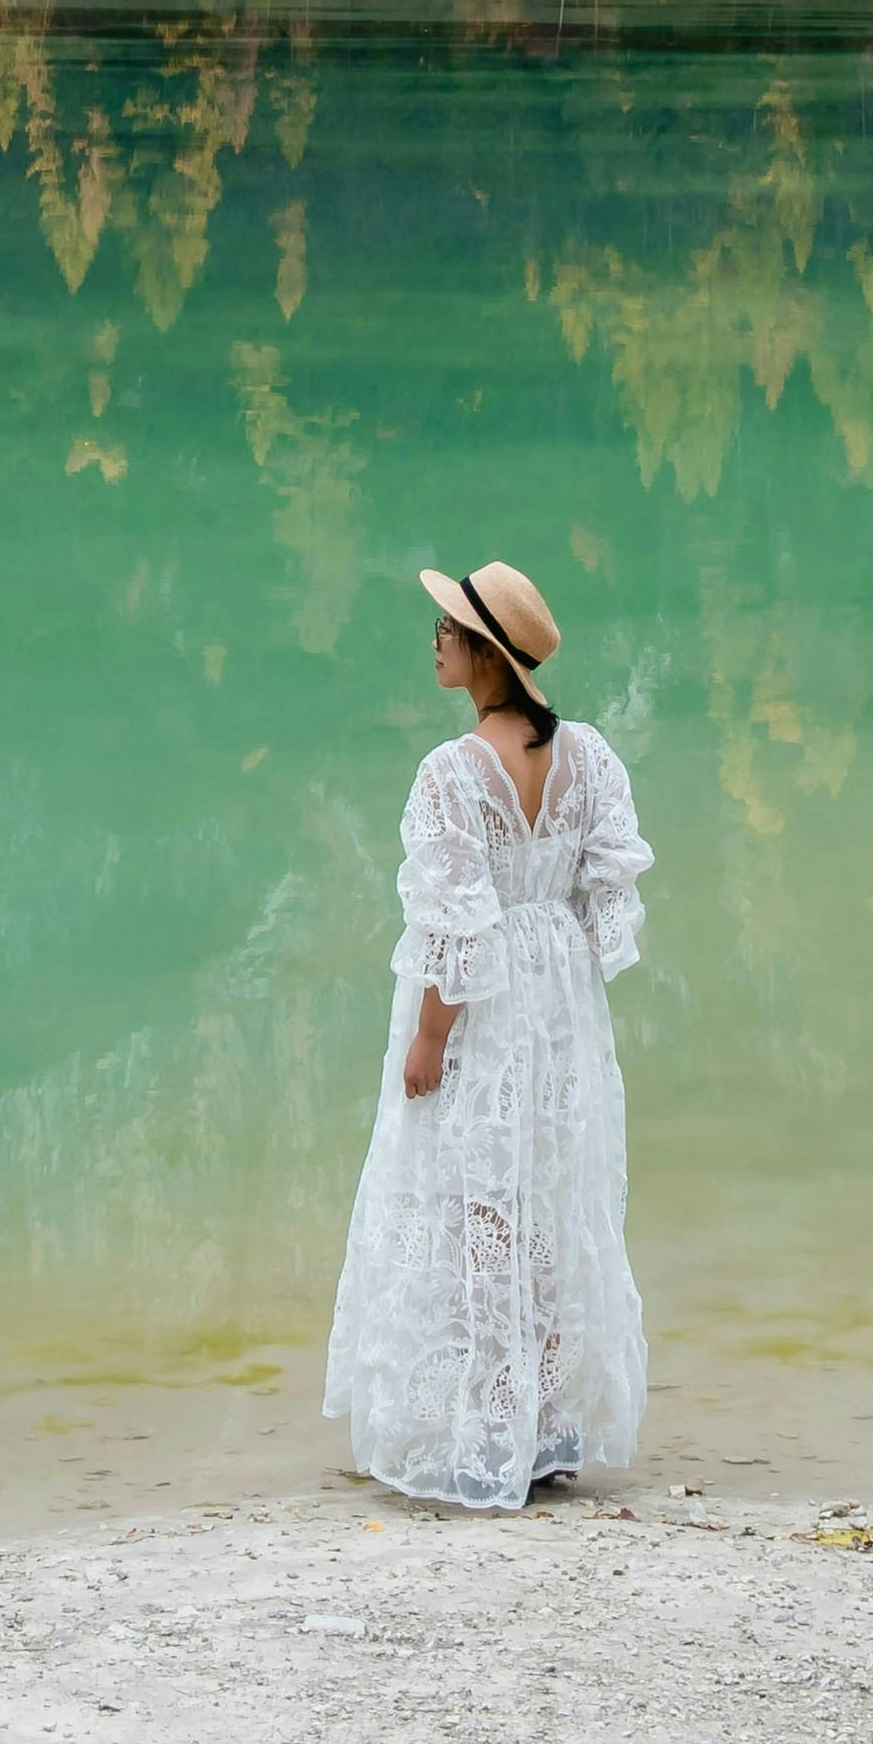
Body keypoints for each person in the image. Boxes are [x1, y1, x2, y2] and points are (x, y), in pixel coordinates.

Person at [323, 558, 652, 1510]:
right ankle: (545, 1429)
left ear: (484, 653)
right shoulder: (586, 755)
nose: (433, 640)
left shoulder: (452, 772)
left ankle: (489, 1432)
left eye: (446, 628)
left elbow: (454, 921)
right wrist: (562, 981)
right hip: (558, 1002)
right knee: (548, 1193)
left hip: (489, 998)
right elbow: (600, 894)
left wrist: (429, 1037)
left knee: (477, 1200)